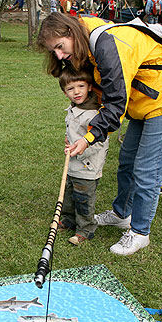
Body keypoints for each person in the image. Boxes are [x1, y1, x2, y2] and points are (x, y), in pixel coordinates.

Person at [37, 12, 162, 255]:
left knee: (147, 171)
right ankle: (122, 214)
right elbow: (101, 94)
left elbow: (114, 104)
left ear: (71, 32)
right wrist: (80, 132)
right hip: (143, 104)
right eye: (54, 51)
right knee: (127, 162)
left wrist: (89, 137)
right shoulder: (87, 42)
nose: (59, 56)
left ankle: (140, 232)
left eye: (60, 47)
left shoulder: (106, 43)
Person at [56, 67, 110, 246]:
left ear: (89, 87)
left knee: (83, 198)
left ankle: (86, 229)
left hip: (88, 166)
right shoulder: (73, 108)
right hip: (73, 163)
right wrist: (69, 139)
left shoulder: (94, 115)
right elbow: (72, 129)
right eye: (71, 89)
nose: (76, 92)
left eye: (81, 86)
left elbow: (100, 141)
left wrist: (80, 149)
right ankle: (70, 220)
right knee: (70, 194)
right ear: (65, 93)